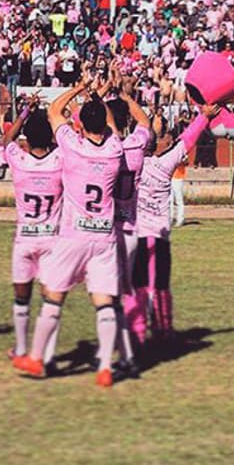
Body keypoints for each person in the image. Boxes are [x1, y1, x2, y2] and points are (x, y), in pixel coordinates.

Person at [14, 76, 124, 387]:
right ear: (104, 122)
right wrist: (98, 97)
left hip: (74, 234)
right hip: (104, 237)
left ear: (82, 124)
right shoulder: (115, 149)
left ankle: (36, 358)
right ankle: (104, 367)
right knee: (104, 302)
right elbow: (113, 128)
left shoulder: (72, 146)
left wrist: (80, 87)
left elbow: (56, 110)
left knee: (53, 296)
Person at [129, 105, 220, 344]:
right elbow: (187, 140)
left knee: (138, 284)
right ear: (155, 144)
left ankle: (138, 330)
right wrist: (204, 117)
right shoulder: (165, 163)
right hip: (159, 235)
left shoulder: (130, 164)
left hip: (136, 235)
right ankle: (163, 328)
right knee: (160, 285)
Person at [2, 95, 64, 374]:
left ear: (27, 139)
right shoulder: (59, 161)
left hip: (24, 238)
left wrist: (26, 111)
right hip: (52, 238)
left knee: (21, 298)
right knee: (51, 299)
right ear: (51, 138)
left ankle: (21, 348)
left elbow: (7, 141)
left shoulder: (19, 160)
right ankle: (47, 354)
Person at [105, 79, 151, 378]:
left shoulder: (107, 149)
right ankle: (126, 350)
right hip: (132, 225)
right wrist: (125, 96)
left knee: (111, 298)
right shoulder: (136, 145)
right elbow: (144, 121)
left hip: (111, 230)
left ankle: (125, 355)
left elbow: (109, 129)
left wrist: (99, 97)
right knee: (120, 295)